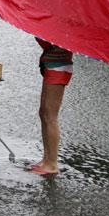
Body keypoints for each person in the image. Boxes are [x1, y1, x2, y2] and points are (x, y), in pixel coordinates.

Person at [29, 37, 73, 176]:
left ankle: (52, 164)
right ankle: (46, 158)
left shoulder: (63, 29)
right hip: (51, 64)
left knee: (50, 116)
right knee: (43, 113)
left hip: (58, 67)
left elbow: (60, 45)